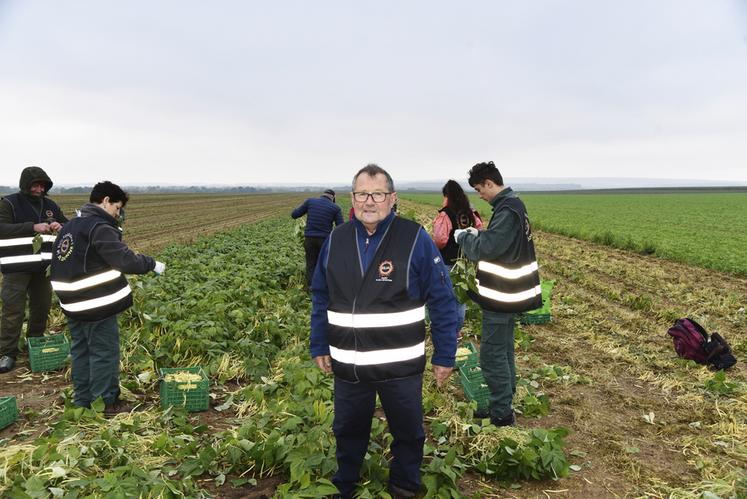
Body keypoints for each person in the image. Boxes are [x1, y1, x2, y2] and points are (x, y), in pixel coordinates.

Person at [310, 164, 458, 498]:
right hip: (350, 365)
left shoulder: (413, 238)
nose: (370, 201)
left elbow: (442, 299)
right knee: (347, 429)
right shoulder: (337, 239)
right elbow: (321, 295)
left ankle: (404, 486)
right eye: (363, 194)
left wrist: (445, 354)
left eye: (378, 194)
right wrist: (319, 343)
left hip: (399, 367)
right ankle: (345, 484)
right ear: (353, 198)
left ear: (392, 198)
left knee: (408, 431)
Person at [50, 181, 165, 415]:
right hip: (95, 304)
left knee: (82, 351)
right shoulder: (99, 226)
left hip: (71, 303)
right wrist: (151, 264)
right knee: (104, 352)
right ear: (105, 201)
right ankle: (106, 403)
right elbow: (124, 260)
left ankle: (83, 400)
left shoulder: (71, 225)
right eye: (117, 207)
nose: (118, 213)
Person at [454, 161, 542, 426]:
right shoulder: (513, 206)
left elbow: (490, 247)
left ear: (490, 183)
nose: (480, 195)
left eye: (480, 189)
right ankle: (502, 403)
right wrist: (479, 232)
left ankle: (502, 414)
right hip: (510, 294)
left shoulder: (508, 209)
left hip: (502, 296)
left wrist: (465, 238)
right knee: (504, 351)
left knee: (492, 355)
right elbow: (500, 241)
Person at [0, 166, 68, 373]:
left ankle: (34, 344)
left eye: (43, 185)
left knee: (42, 307)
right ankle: (7, 353)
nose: (39, 189)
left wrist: (60, 226)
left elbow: (68, 226)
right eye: (35, 185)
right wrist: (32, 227)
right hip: (16, 267)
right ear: (25, 185)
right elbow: (2, 229)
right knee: (13, 310)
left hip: (43, 268)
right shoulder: (9, 203)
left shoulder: (50, 205)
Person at [431, 179, 483, 337]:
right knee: (461, 296)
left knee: (446, 296)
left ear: (447, 196)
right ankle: (457, 329)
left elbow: (440, 240)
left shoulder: (445, 214)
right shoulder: (470, 212)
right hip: (467, 264)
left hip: (448, 263)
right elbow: (480, 231)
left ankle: (449, 330)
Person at [291, 189, 343, 287]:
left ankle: (312, 288)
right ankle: (324, 288)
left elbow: (294, 215)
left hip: (309, 239)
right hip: (324, 241)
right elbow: (340, 227)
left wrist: (297, 209)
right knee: (324, 265)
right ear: (333, 197)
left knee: (311, 264)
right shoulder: (335, 208)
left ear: (323, 195)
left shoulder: (310, 201)